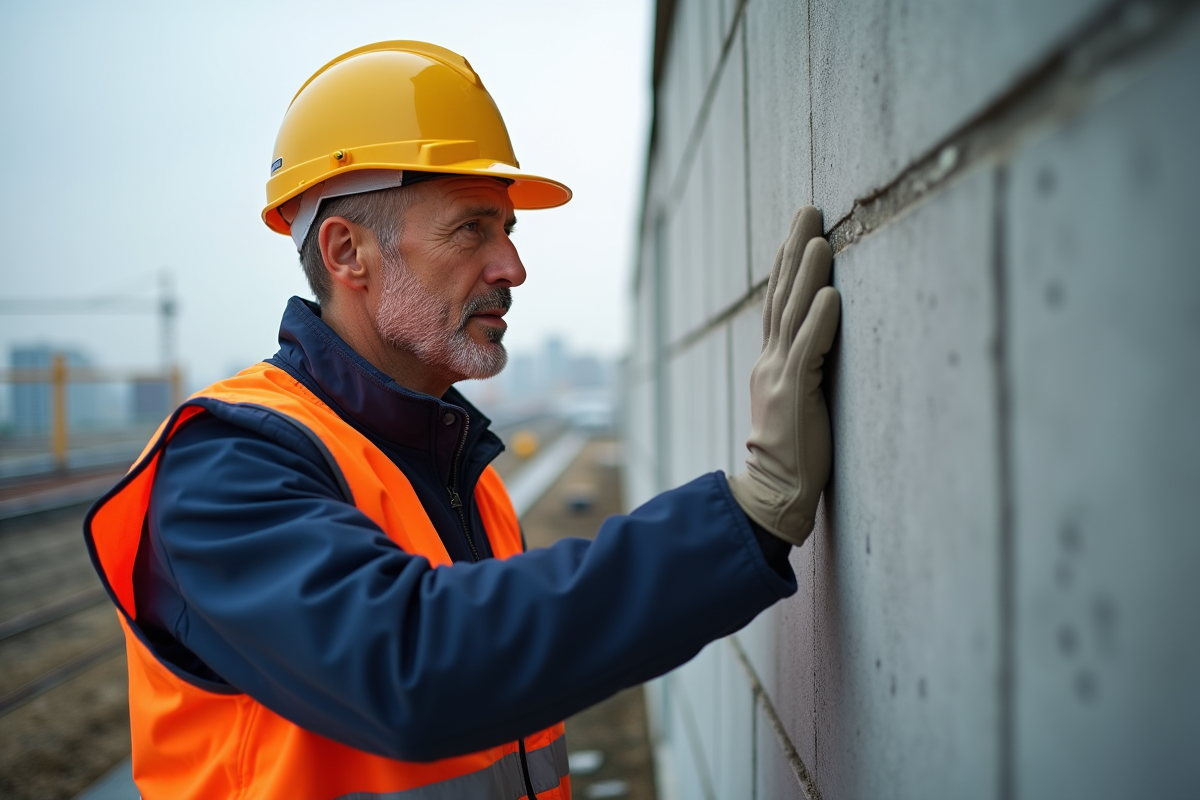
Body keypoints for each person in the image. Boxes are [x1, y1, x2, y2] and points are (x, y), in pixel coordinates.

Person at [85, 41, 841, 800]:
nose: (511, 266)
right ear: (347, 251)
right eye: (471, 229)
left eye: (508, 230)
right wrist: (749, 515)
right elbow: (409, 665)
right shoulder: (224, 464)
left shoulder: (459, 475)